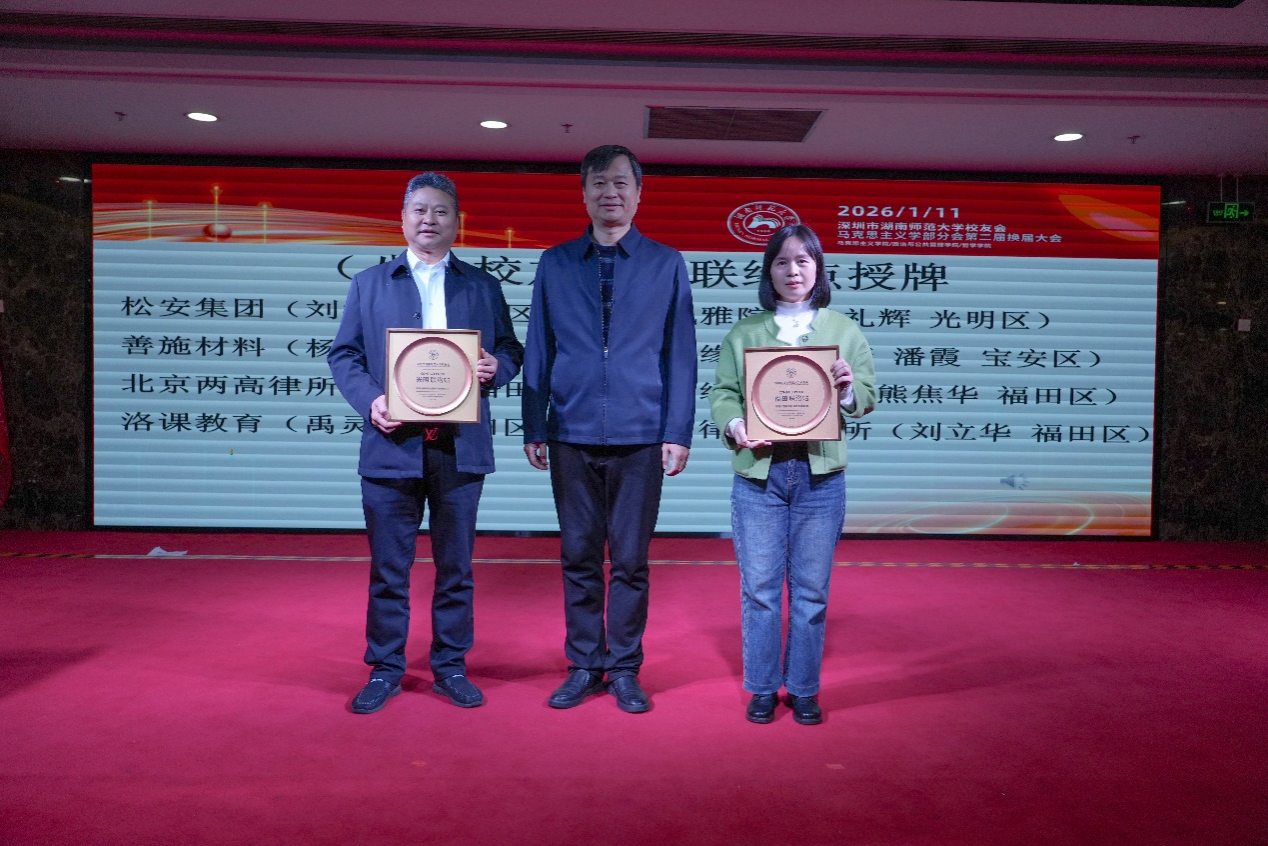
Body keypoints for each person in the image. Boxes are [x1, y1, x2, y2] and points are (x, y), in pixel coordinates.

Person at [329, 172, 524, 715]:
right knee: (389, 568)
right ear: (403, 219)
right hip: (391, 445)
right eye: (419, 210)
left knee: (455, 567)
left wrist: (498, 367)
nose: (429, 220)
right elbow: (344, 355)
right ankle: (385, 668)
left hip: (459, 446)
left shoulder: (481, 285)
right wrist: (371, 399)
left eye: (441, 211)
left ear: (457, 221)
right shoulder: (370, 283)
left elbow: (511, 349)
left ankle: (451, 666)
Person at [521, 144, 697, 713]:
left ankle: (623, 668)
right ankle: (583, 664)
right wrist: (534, 423)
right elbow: (539, 345)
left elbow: (680, 354)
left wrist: (678, 431)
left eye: (621, 182)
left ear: (639, 194)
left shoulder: (666, 263)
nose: (610, 192)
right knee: (577, 554)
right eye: (598, 182)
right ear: (584, 193)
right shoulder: (555, 262)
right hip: (570, 430)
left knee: (630, 560)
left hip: (641, 433)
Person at [709, 223, 876, 726]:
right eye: (782, 261)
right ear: (769, 272)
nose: (793, 270)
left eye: (803, 260)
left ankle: (803, 688)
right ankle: (762, 688)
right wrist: (736, 425)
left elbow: (866, 397)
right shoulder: (744, 333)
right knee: (760, 590)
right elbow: (723, 394)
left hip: (819, 477)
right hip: (759, 476)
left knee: (811, 592)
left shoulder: (843, 331)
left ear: (818, 268)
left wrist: (847, 389)